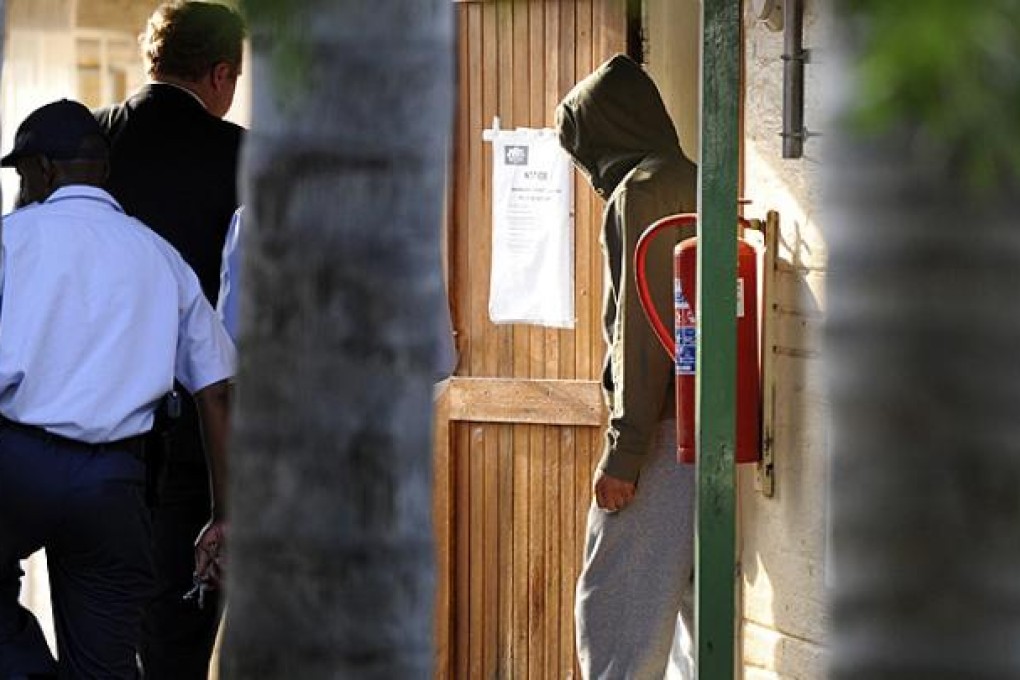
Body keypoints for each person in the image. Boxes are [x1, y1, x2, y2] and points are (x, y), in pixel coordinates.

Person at [0, 99, 234, 679]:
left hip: (14, 466)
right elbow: (216, 390)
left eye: (22, 172)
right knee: (105, 665)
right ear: (103, 171)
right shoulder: (160, 256)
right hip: (115, 483)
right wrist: (225, 514)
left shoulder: (11, 239)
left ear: (43, 171)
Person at [93, 2, 246, 676]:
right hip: (193, 434)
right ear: (219, 74)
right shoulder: (242, 157)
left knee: (96, 622)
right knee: (176, 636)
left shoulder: (86, 147)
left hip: (86, 427)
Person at [555, 54, 699, 679]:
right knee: (691, 623)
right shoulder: (697, 178)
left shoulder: (639, 191)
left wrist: (624, 450)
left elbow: (642, 327)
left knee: (612, 612)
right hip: (706, 424)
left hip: (660, 434)